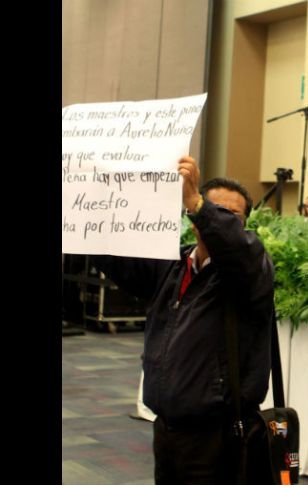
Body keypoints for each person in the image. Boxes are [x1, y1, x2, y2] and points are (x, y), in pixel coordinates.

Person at [92, 156, 275, 483]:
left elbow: (234, 246)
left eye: (233, 216)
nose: (221, 220)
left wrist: (196, 201)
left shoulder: (250, 269)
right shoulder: (174, 266)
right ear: (193, 221)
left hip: (218, 436)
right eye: (216, 210)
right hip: (167, 430)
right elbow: (117, 258)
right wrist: (85, 222)